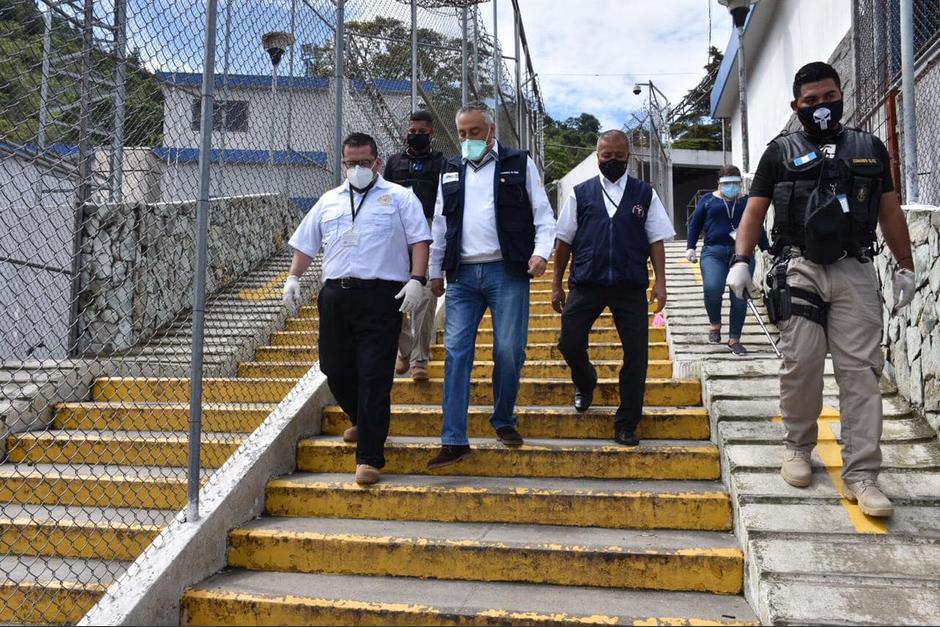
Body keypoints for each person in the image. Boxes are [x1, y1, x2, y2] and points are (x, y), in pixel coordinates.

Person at [727, 62, 916, 517]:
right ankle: (797, 447)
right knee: (802, 364)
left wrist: (906, 265)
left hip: (854, 268)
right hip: (799, 267)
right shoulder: (779, 152)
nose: (821, 107)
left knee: (861, 375)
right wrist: (740, 261)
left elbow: (889, 211)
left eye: (828, 96)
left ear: (841, 95)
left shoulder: (868, 148)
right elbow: (754, 211)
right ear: (796, 107)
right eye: (810, 101)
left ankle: (863, 474)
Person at [283, 132, 431, 486]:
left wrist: (417, 279)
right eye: (351, 163)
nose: (358, 168)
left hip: (381, 297)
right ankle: (362, 419)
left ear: (377, 162)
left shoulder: (400, 198)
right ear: (343, 164)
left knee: (374, 375)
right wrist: (292, 277)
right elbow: (307, 243)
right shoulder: (329, 200)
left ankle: (369, 456)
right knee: (334, 367)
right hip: (336, 295)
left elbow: (420, 240)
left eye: (364, 162)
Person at [426, 101, 555, 468]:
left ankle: (503, 419)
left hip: (507, 272)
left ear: (491, 131)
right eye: (462, 133)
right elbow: (439, 224)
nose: (467, 139)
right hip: (462, 276)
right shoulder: (450, 169)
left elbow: (544, 215)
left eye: (475, 132)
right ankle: (454, 439)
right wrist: (436, 270)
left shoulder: (518, 162)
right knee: (456, 354)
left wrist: (541, 253)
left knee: (509, 350)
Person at [551, 129, 674, 447]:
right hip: (586, 282)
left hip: (629, 284)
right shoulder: (580, 193)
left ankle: (626, 423)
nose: (613, 161)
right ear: (597, 155)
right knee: (569, 342)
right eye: (607, 156)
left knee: (638, 356)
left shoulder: (645, 194)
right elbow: (563, 240)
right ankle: (586, 380)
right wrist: (556, 284)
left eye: (619, 156)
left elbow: (656, 240)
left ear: (628, 156)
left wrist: (660, 282)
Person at [384, 110, 445, 381]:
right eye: (412, 131)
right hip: (397, 235)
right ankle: (404, 349)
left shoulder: (443, 163)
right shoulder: (394, 162)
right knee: (392, 297)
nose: (416, 136)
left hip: (429, 230)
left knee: (424, 297)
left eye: (422, 132)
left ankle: (419, 359)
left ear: (431, 133)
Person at [686, 165, 770, 355]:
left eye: (735, 183)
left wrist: (765, 248)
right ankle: (715, 324)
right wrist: (690, 247)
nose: (731, 187)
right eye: (727, 183)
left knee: (740, 296)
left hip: (742, 253)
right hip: (713, 252)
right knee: (712, 288)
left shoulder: (747, 202)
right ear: (719, 183)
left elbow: (757, 225)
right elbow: (695, 224)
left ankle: (734, 339)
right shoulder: (708, 201)